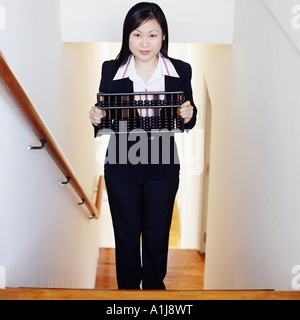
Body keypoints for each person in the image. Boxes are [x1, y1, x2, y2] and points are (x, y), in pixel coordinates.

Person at [89, 2, 197, 290]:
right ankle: (127, 292)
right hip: (121, 165)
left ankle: (152, 289)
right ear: (128, 37)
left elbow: (189, 114)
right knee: (125, 234)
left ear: (163, 37)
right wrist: (96, 116)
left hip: (163, 164)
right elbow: (105, 113)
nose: (145, 42)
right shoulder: (111, 69)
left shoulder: (181, 70)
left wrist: (189, 114)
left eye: (152, 34)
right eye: (137, 34)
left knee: (157, 233)